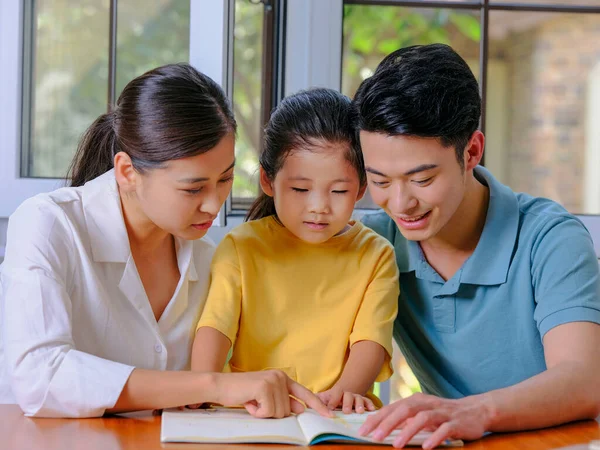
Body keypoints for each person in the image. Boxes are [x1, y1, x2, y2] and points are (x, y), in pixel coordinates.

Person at [0, 63, 330, 419]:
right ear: (127, 171)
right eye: (193, 188)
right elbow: (40, 375)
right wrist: (210, 384)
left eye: (225, 180)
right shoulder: (49, 225)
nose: (213, 205)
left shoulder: (209, 260)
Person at [351, 44, 600, 448]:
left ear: (471, 151)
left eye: (422, 179)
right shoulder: (373, 245)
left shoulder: (549, 238)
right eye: (379, 181)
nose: (400, 204)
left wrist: (474, 411)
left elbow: (583, 380)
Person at [191, 88, 399, 414]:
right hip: (253, 412)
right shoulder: (241, 247)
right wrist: (202, 387)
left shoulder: (375, 255)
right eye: (300, 189)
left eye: (339, 190)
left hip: (338, 413)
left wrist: (340, 397)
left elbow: (370, 342)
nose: (318, 207)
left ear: (360, 188)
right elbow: (215, 329)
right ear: (268, 181)